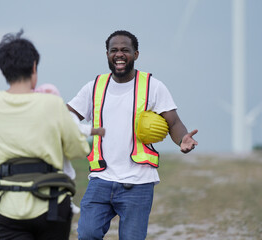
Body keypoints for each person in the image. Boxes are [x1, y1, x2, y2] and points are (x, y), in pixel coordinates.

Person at [67, 30, 198, 240]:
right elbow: (68, 115)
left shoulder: (153, 86)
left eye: (125, 50)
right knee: (87, 234)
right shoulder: (94, 87)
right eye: (114, 50)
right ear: (107, 54)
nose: (119, 54)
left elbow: (173, 122)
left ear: (136, 54)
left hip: (138, 182)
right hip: (101, 179)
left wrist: (183, 139)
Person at [0, 29, 90, 240]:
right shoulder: (52, 103)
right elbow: (78, 149)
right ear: (33, 67)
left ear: (3, 69)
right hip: (50, 204)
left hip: (8, 205)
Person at [34, 83, 105, 214]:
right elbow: (77, 128)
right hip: (47, 156)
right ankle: (65, 200)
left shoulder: (63, 117)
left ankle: (67, 200)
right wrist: (95, 131)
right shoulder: (39, 118)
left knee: (65, 174)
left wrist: (94, 131)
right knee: (64, 175)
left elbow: (77, 127)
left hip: (54, 156)